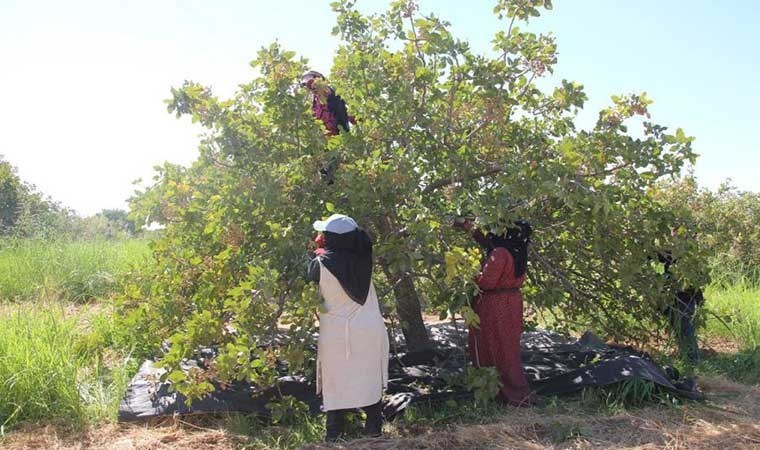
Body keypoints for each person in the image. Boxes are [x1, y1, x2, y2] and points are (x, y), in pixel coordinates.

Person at [306, 213, 389, 441]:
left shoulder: (319, 264)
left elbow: (310, 273)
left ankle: (334, 434)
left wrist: (316, 251)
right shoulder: (364, 258)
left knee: (337, 379)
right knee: (368, 376)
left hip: (336, 333)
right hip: (368, 329)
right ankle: (373, 430)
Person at [455, 218, 537, 407]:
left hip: (493, 304)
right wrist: (472, 230)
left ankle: (497, 390)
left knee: (490, 344)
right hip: (512, 302)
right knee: (507, 345)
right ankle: (511, 387)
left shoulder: (499, 253)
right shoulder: (518, 250)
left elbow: (486, 282)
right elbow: (489, 244)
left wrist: (466, 271)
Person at [659, 252, 703, 362]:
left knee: (685, 328)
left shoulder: (685, 252)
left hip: (684, 297)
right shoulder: (676, 248)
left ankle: (692, 359)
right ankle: (688, 357)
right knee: (681, 328)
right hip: (675, 295)